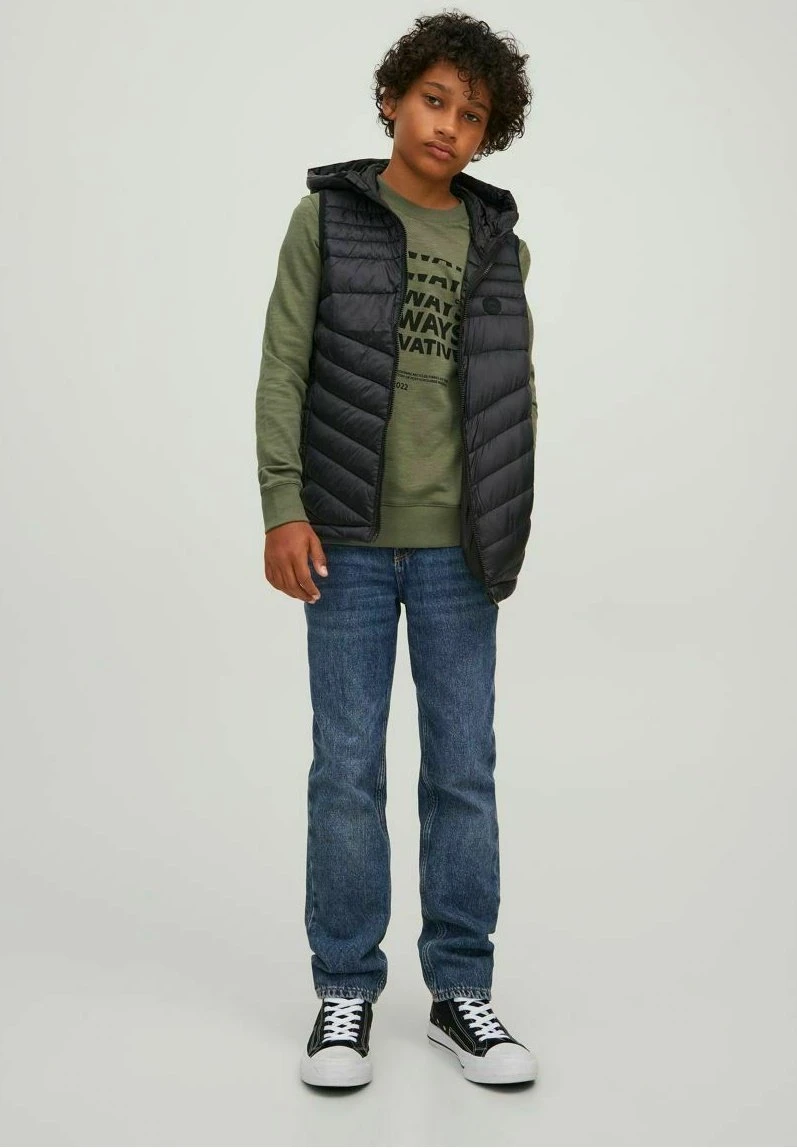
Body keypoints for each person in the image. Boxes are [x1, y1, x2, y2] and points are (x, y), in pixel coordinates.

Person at [255, 11, 539, 1088]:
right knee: (347, 767)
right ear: (391, 99)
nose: (448, 125)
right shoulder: (326, 219)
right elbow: (283, 367)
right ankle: (344, 989)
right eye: (433, 100)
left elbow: (510, 393)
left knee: (463, 769)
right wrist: (282, 505)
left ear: (487, 134)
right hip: (346, 541)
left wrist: (505, 520)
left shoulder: (498, 240)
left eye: (472, 115)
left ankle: (460, 991)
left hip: (462, 549)